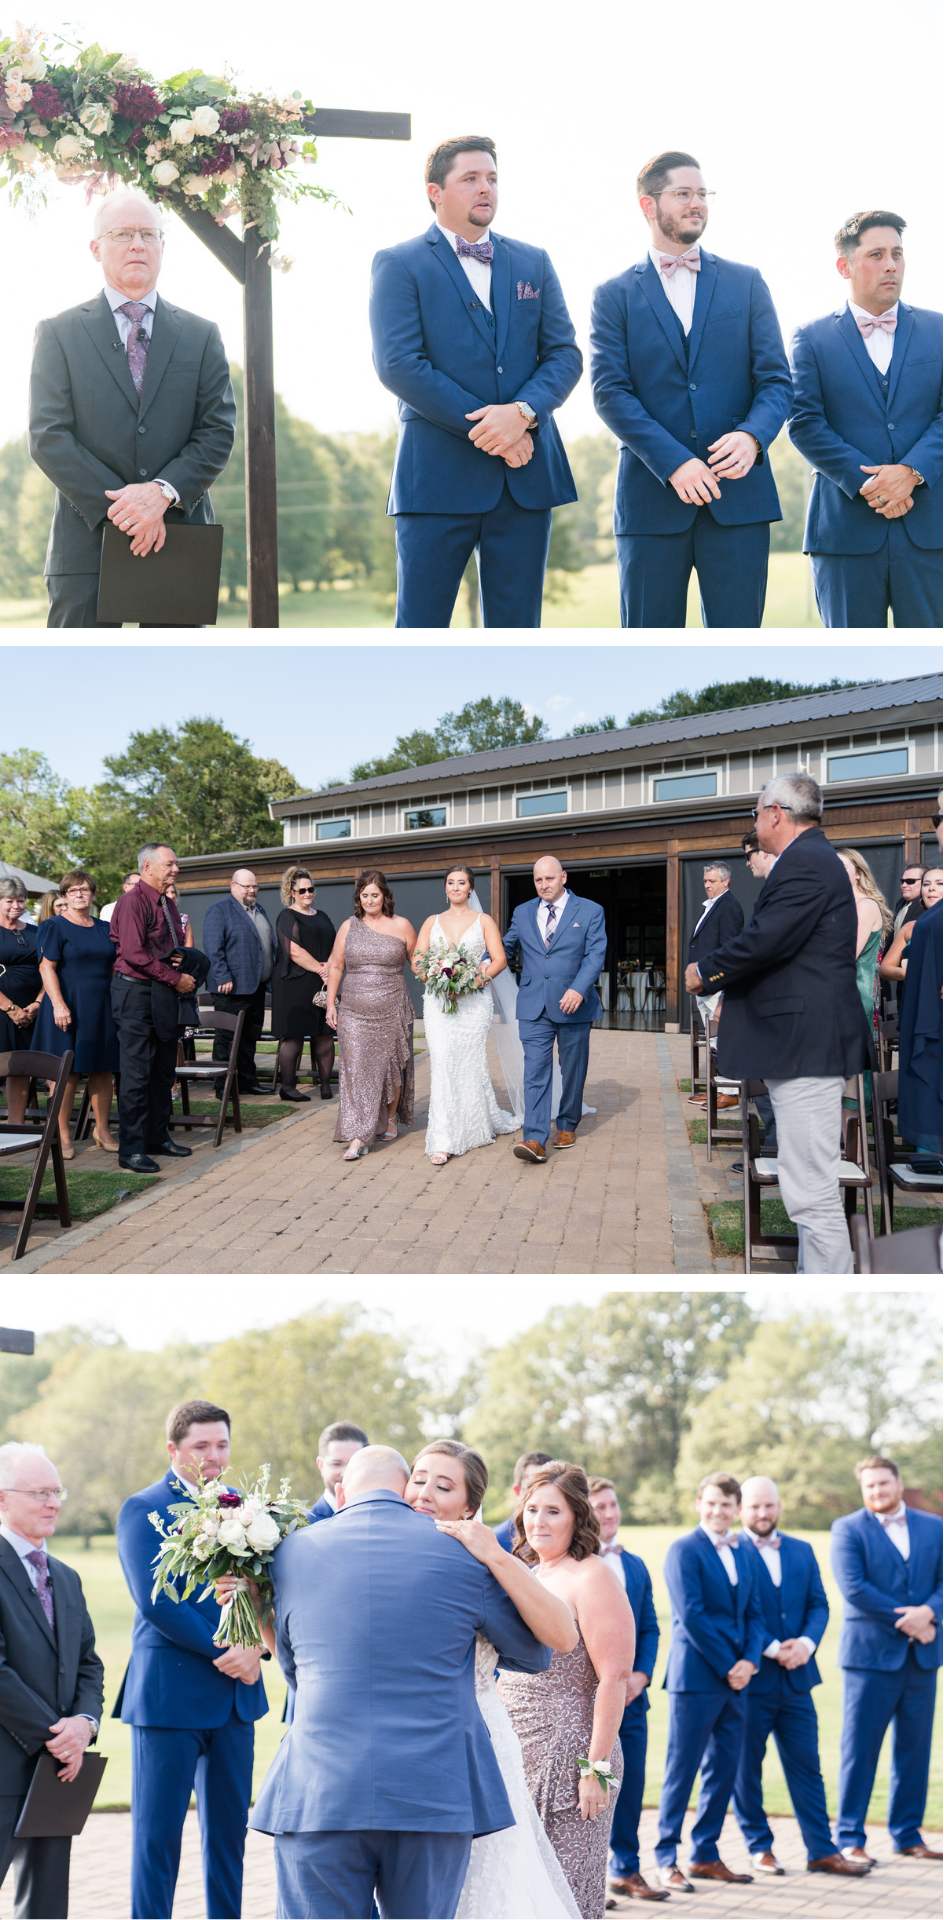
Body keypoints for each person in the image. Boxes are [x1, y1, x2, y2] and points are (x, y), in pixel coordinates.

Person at [248, 1444, 556, 1920]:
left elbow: (294, 1673)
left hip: (320, 1790)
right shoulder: (467, 1557)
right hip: (433, 1791)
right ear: (402, 1487)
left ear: (342, 1491)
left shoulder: (290, 1554)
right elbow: (534, 1655)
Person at [369, 136, 583, 628]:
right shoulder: (399, 263)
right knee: (420, 628)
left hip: (526, 480)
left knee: (518, 633)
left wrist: (523, 415)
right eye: (470, 178)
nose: (485, 188)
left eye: (491, 178)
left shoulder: (535, 261)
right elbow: (399, 364)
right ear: (435, 191)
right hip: (436, 480)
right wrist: (494, 431)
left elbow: (564, 354)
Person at [589, 150, 792, 628]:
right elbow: (610, 392)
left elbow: (777, 381)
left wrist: (753, 437)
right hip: (651, 505)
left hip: (740, 501)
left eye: (702, 193)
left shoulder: (747, 283)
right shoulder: (613, 295)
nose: (696, 202)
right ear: (648, 205)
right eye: (683, 193)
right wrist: (674, 462)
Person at [685, 773, 873, 1274]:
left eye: (755, 812)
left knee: (812, 1193)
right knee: (804, 1187)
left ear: (776, 813)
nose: (753, 821)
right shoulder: (809, 859)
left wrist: (704, 972)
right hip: (800, 1045)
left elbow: (766, 940)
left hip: (807, 1046)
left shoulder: (807, 863)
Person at [28, 190, 235, 629]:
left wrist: (159, 494)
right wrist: (126, 508)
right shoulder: (57, 334)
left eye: (148, 234)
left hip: (179, 539)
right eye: (122, 234)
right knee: (81, 688)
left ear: (163, 246)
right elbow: (48, 436)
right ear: (95, 248)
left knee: (178, 691)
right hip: (85, 546)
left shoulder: (202, 336)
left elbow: (217, 432)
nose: (137, 244)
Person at [405, 1440, 580, 1919]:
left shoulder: (480, 1566)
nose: (423, 1493)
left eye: (443, 1486)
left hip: (473, 1741)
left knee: (483, 1884)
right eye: (418, 1478)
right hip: (403, 1752)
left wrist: (495, 1555)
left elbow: (563, 1636)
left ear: (470, 1505)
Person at [115, 1399, 269, 1920]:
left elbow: (270, 1591)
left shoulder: (248, 1509)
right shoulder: (143, 1508)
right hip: (169, 1697)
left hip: (236, 1698)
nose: (213, 1456)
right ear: (173, 1449)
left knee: (229, 1840)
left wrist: (259, 1648)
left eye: (221, 1444)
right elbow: (156, 1602)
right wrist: (232, 1650)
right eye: (201, 1445)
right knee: (157, 1841)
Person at [787, 211, 942, 629]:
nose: (891, 264)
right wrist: (873, 484)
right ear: (845, 266)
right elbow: (803, 423)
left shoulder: (939, 330)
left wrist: (911, 472)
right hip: (844, 535)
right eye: (877, 254)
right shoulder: (811, 338)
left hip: (930, 534)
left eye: (897, 254)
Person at [498, 1462, 634, 1920]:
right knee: (524, 1890)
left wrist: (594, 1770)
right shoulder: (533, 1571)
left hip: (572, 1756)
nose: (538, 1521)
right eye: (531, 1509)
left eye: (553, 1511)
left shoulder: (592, 1576)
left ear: (577, 1515)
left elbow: (613, 1678)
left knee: (564, 1892)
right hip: (521, 1747)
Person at [732, 1476, 866, 1878]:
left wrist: (806, 1644)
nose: (763, 1513)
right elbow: (734, 1614)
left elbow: (819, 1605)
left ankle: (821, 1850)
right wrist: (773, 1648)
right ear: (741, 1508)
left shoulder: (802, 1549)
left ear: (779, 1506)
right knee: (747, 1767)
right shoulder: (731, 1550)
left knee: (808, 1765)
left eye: (769, 1505)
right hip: (752, 1680)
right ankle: (760, 1847)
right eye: (755, 1506)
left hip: (798, 1680)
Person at [0, 1441, 105, 1920]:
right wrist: (58, 1736)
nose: (53, 1502)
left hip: (56, 1774)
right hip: (8, 1764)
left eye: (56, 1490)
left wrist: (83, 1724)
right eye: (39, 1492)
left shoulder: (66, 1577)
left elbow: (88, 1665)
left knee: (45, 1909)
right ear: (2, 1498)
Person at [830, 1454, 942, 1867]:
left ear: (898, 1482)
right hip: (869, 1660)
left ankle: (908, 1834)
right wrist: (913, 1621)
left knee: (915, 1749)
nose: (877, 1491)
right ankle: (850, 1836)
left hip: (922, 1660)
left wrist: (929, 1613)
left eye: (883, 1483)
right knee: (860, 1749)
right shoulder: (847, 1529)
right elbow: (855, 1589)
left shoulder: (935, 1526)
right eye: (869, 1485)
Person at [654, 1471, 763, 1892]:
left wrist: (750, 1662)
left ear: (737, 1509)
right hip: (698, 1677)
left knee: (724, 1769)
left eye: (727, 1505)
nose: (719, 1511)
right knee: (681, 1770)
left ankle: (705, 1854)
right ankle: (666, 1857)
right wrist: (730, 1665)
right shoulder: (683, 1550)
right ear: (699, 1503)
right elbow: (692, 1616)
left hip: (738, 1679)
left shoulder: (746, 1550)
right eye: (711, 1503)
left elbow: (755, 1613)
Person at [586, 1478, 665, 1905]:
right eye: (600, 1506)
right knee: (593, 1783)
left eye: (613, 1505)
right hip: (591, 1701)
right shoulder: (578, 1565)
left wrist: (642, 1676)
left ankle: (626, 1869)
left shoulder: (635, 1565)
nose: (610, 1513)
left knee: (629, 1787)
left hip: (634, 1699)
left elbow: (650, 1626)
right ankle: (589, 1878)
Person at [502, 857, 607, 1164]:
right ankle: (534, 1137)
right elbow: (506, 947)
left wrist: (578, 988)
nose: (544, 885)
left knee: (572, 1068)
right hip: (533, 1004)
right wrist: (472, 965)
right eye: (538, 880)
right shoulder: (523, 912)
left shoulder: (590, 910)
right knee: (535, 1070)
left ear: (563, 876)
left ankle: (568, 1123)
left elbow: (595, 954)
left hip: (574, 1003)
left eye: (549, 879)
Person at [413, 866, 518, 1165]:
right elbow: (418, 960)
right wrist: (434, 979)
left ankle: (475, 1126)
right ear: (444, 888)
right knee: (444, 1061)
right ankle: (443, 1138)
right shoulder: (431, 922)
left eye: (462, 882)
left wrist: (473, 982)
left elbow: (499, 959)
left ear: (471, 889)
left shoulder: (483, 921)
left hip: (474, 1004)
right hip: (438, 1003)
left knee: (471, 1063)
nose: (456, 887)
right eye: (451, 882)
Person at [109, 842, 196, 1174]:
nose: (175, 869)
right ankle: (131, 1149)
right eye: (169, 864)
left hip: (161, 993)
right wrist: (174, 978)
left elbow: (170, 946)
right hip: (135, 995)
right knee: (136, 1074)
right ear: (147, 867)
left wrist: (183, 963)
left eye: (176, 864)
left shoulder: (167, 903)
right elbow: (133, 953)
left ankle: (157, 1137)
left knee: (163, 1071)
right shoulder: (132, 902)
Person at [325, 871, 417, 1161]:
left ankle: (389, 1119)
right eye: (364, 895)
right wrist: (331, 1004)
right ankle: (358, 1135)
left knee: (393, 1064)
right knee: (355, 1072)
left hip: (392, 1007)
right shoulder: (348, 927)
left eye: (374, 894)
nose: (369, 900)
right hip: (352, 1009)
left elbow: (418, 963)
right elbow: (336, 966)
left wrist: (448, 978)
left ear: (385, 896)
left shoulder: (402, 925)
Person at [32, 870, 120, 1157]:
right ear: (64, 896)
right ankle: (64, 1134)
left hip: (101, 1007)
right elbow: (47, 968)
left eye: (84, 889)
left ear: (93, 894)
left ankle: (102, 1130)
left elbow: (112, 969)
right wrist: (58, 1004)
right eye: (72, 891)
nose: (79, 894)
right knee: (66, 1073)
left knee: (103, 1069)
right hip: (65, 1007)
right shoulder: (54, 926)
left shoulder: (105, 927)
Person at [894, 803, 943, 1152]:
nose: (929, 888)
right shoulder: (915, 919)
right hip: (917, 998)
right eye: (925, 883)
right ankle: (924, 1146)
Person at [203, 870, 275, 1100]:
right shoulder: (219, 909)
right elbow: (213, 947)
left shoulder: (259, 910)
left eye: (255, 886)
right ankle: (222, 1086)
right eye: (247, 887)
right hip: (231, 988)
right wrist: (223, 976)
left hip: (256, 987)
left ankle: (246, 1081)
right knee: (226, 1038)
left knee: (249, 1038)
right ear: (233, 886)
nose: (252, 890)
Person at [272, 867, 336, 1105]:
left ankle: (326, 1084)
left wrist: (330, 968)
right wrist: (321, 969)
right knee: (294, 1036)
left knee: (324, 1033)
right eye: (302, 890)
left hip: (322, 981)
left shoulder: (322, 915)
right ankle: (288, 1088)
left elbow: (335, 944)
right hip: (295, 983)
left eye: (311, 889)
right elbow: (293, 950)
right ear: (292, 892)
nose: (308, 893)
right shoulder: (287, 916)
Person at [686, 864, 744, 1115]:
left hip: (717, 989)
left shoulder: (729, 907)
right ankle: (718, 1089)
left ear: (726, 882)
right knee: (714, 1042)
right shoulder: (712, 905)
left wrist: (712, 985)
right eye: (705, 881)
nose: (707, 885)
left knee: (725, 1040)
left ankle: (730, 1095)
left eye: (712, 881)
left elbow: (730, 952)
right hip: (706, 989)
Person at [0, 878, 44, 1127]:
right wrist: (10, 1008)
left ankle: (15, 1125)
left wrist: (38, 1003)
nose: (16, 905)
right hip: (3, 1009)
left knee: (21, 1067)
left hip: (31, 1011)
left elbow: (49, 969)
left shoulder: (35, 931)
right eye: (9, 901)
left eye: (20, 900)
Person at [837, 850, 891, 1048]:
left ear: (859, 873)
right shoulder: (842, 905)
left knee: (855, 1073)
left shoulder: (864, 905)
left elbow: (847, 955)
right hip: (842, 994)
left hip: (854, 995)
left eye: (842, 866)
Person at [880, 866, 944, 1023]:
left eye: (940, 883)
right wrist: (908, 973)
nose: (932, 889)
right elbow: (885, 968)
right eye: (926, 884)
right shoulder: (910, 927)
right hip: (914, 1003)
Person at [310, 1422, 370, 1522]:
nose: (345, 1473)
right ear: (321, 1465)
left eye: (353, 1463)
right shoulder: (303, 1525)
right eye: (336, 1464)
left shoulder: (378, 1518)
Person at [493, 1453, 553, 1552]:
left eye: (547, 1483)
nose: (541, 1491)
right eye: (532, 1485)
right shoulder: (496, 1541)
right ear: (518, 1491)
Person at [164, 883, 194, 948]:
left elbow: (189, 948)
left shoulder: (183, 918)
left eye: (173, 892)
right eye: (166, 892)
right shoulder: (151, 916)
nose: (171, 896)